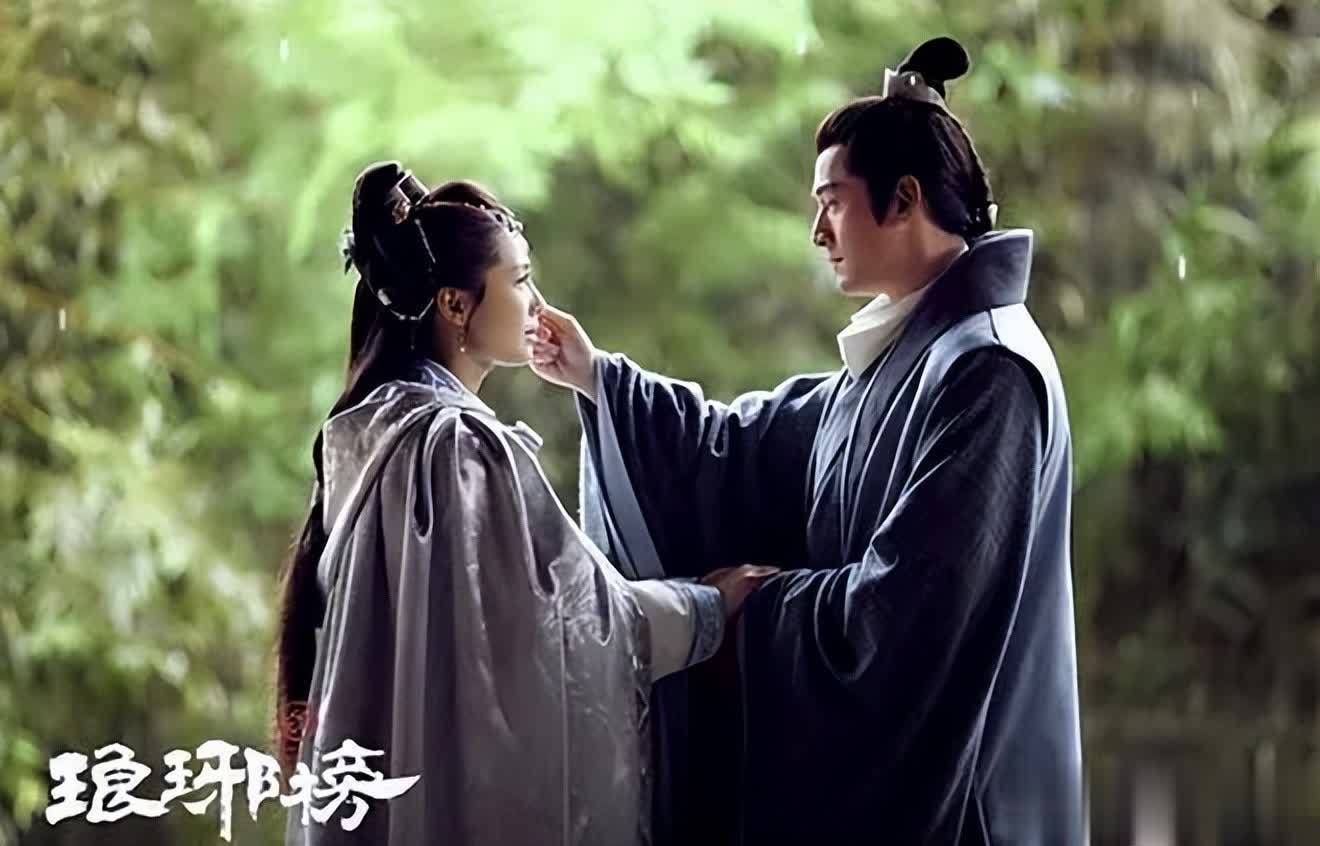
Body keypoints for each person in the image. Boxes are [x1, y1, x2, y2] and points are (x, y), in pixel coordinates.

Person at [529, 36, 1083, 846]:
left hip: (972, 806)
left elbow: (909, 619)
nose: (819, 231)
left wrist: (750, 609)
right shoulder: (912, 354)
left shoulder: (988, 370)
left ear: (904, 199)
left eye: (833, 201)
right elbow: (741, 449)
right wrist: (598, 378)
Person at [273, 161, 775, 845]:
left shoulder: (371, 433)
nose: (537, 303)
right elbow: (559, 627)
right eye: (520, 280)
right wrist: (707, 609)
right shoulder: (455, 447)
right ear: (456, 306)